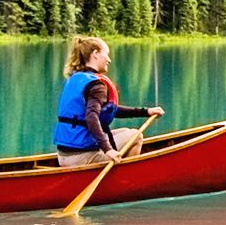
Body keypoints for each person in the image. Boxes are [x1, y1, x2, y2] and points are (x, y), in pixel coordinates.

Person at [52, 35, 162, 167]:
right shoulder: (96, 85)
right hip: (80, 157)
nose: (109, 60)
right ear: (96, 54)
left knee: (126, 132)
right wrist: (108, 150)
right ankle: (124, 179)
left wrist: (146, 112)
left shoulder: (76, 78)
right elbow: (91, 117)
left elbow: (109, 109)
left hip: (63, 155)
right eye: (107, 54)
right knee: (136, 136)